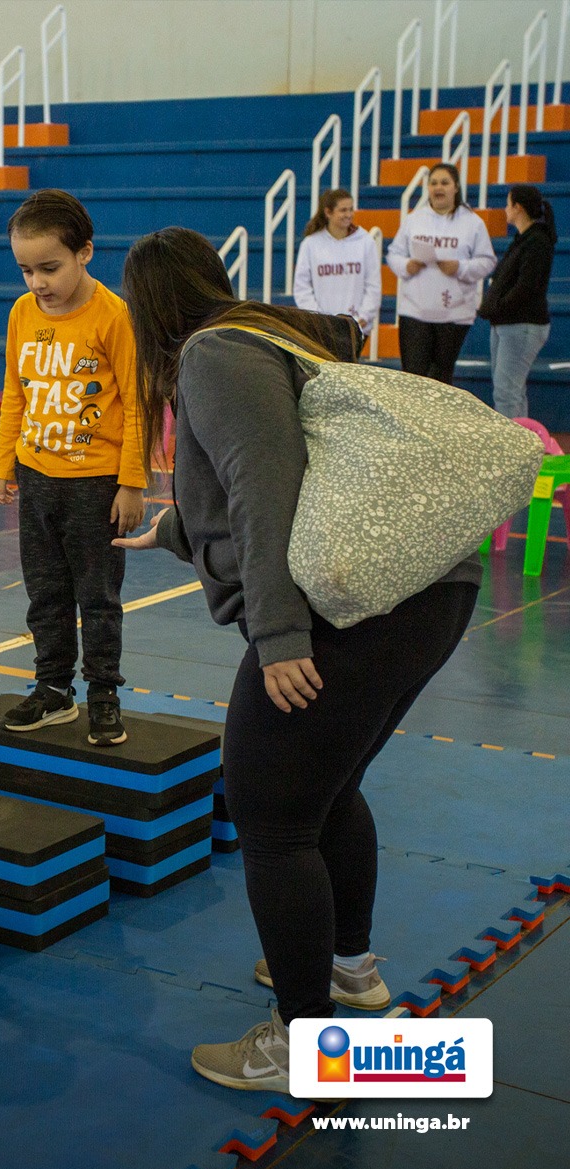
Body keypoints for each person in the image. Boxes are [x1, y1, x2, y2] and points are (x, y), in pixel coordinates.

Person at [115, 227, 480, 1093]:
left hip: (353, 610)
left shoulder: (211, 354)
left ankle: (305, 1046)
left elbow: (263, 484)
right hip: (426, 589)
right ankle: (349, 971)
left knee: (272, 817)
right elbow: (295, 470)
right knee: (327, 788)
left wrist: (279, 638)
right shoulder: (277, 335)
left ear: (147, 309)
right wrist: (175, 529)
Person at [0, 189, 146, 746]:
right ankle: (53, 689)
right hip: (37, 477)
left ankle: (103, 692)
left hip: (96, 483)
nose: (37, 282)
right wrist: (4, 459)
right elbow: (16, 391)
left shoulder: (114, 316)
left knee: (98, 598)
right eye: (26, 270)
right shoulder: (21, 313)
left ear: (85, 253)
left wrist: (131, 482)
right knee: (45, 593)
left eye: (49, 268)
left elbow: (137, 403)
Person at [386, 162, 496, 385]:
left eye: (444, 183)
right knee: (413, 378)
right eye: (433, 183)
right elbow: (393, 254)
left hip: (454, 314)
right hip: (415, 311)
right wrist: (407, 265)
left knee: (441, 379)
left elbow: (487, 262)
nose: (438, 188)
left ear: (456, 187)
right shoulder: (413, 219)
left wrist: (460, 267)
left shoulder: (473, 223)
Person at [478, 184, 557, 420]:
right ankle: (520, 436)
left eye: (507, 204)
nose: (505, 209)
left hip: (521, 324)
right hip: (507, 323)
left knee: (507, 392)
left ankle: (511, 441)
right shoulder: (523, 240)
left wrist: (496, 307)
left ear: (518, 207)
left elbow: (526, 288)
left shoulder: (537, 242)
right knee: (510, 391)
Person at [293, 187, 381, 336]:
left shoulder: (365, 242)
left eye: (351, 209)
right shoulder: (310, 244)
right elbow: (302, 287)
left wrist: (364, 316)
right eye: (343, 210)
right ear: (328, 212)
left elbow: (373, 285)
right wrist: (318, 318)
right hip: (322, 328)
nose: (349, 215)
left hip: (356, 326)